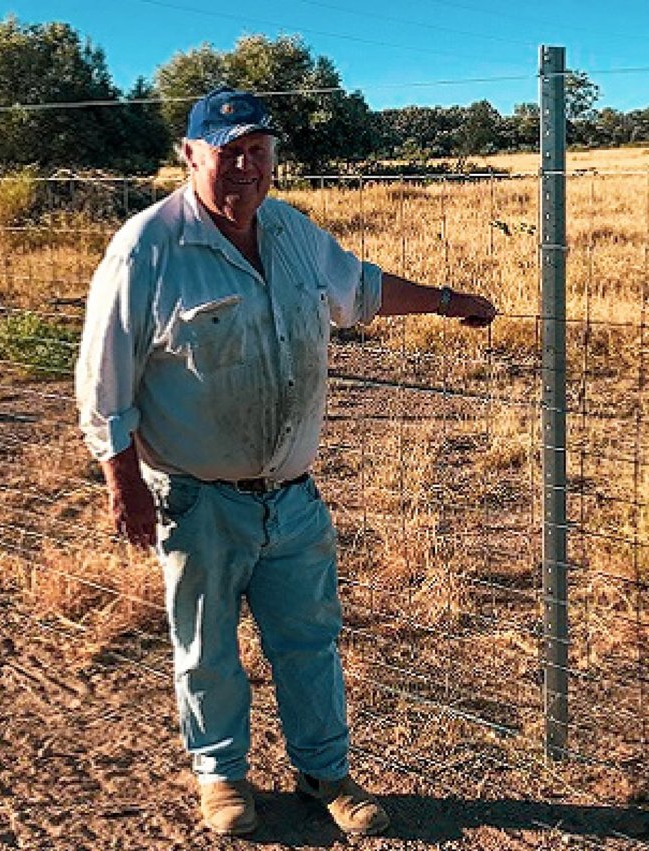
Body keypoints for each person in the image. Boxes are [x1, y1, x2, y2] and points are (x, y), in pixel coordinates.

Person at [74, 86, 496, 837]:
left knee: (308, 640)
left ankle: (324, 773)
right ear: (190, 154)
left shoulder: (293, 232)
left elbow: (359, 290)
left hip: (292, 495)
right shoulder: (146, 248)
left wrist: (446, 299)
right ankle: (222, 778)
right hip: (198, 498)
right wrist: (123, 482)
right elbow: (104, 381)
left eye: (258, 152)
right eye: (228, 152)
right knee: (206, 649)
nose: (244, 167)